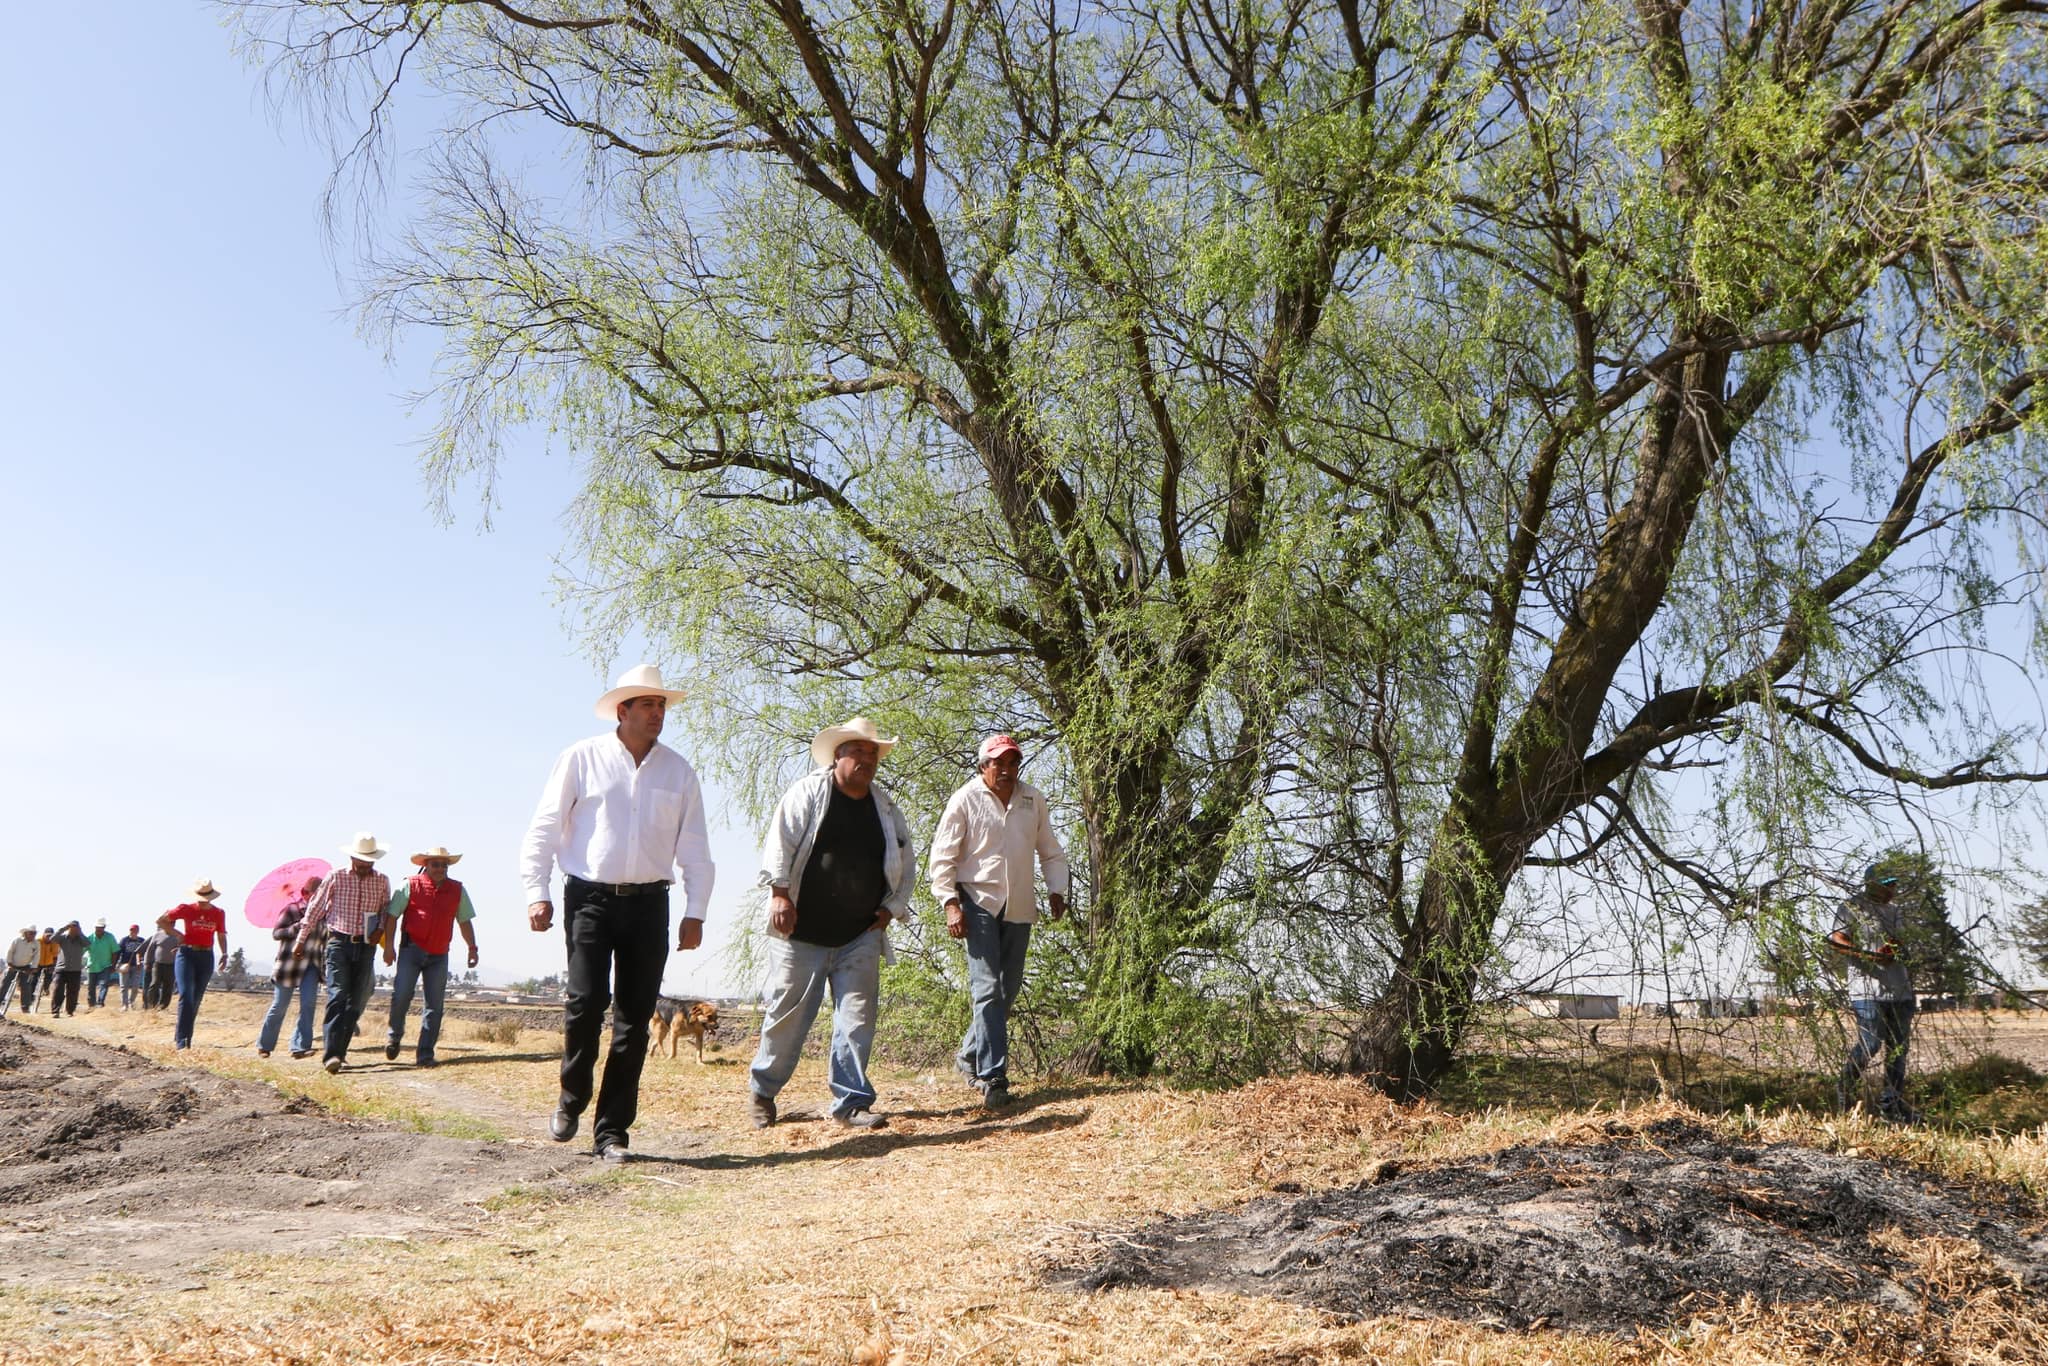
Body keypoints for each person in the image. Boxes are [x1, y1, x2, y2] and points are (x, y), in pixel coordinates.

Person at [521, 663, 716, 1162]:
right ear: (622, 709)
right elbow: (545, 826)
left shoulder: (679, 771)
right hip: (588, 898)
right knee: (585, 1003)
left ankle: (612, 1132)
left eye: (662, 706)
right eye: (648, 705)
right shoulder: (581, 759)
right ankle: (572, 1098)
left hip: (651, 902)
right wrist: (535, 891)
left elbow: (694, 845)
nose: (658, 714)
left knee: (634, 1019)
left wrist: (696, 910)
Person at [748, 718, 917, 1131]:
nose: (865, 759)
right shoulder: (807, 792)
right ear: (837, 755)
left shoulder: (886, 809)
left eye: (872, 753)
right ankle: (763, 1092)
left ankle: (851, 1102)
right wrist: (779, 893)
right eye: (857, 751)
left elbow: (906, 863)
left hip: (859, 933)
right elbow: (780, 843)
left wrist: (891, 909)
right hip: (801, 932)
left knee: (857, 1019)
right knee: (787, 1017)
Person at [928, 734, 1070, 1106]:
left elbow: (1051, 851)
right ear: (983, 766)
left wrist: (1058, 890)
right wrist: (950, 903)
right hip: (977, 902)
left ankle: (968, 1054)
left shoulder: (1031, 799)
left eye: (1012, 763)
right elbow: (942, 857)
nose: (1006, 770)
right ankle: (994, 1079)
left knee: (1007, 991)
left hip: (1020, 904)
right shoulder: (965, 799)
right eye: (998, 763)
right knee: (987, 987)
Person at [294, 834, 393, 1075]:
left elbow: (385, 910)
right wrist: (301, 939)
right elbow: (316, 908)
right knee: (337, 996)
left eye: (369, 861)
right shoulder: (336, 876)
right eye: (361, 860)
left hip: (366, 946)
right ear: (352, 857)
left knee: (355, 1001)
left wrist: (381, 929)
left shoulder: (381, 880)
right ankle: (331, 1055)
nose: (364, 865)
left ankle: (341, 1051)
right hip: (338, 942)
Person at [1831, 864, 1920, 1122]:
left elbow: (1900, 940)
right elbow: (1838, 940)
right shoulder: (1851, 908)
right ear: (1871, 884)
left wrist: (1892, 950)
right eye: (1887, 883)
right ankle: (1845, 1089)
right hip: (1866, 990)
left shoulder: (1895, 912)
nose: (1892, 888)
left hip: (1899, 989)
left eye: (1894, 883)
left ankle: (1891, 1105)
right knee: (1871, 1042)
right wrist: (1869, 956)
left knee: (1898, 1050)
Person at [382, 846, 480, 1067]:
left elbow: (464, 921)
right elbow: (392, 916)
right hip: (411, 950)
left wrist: (472, 947)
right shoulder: (409, 884)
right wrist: (389, 946)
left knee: (434, 1005)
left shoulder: (457, 890)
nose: (440, 869)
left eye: (444, 865)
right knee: (401, 996)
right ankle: (394, 1036)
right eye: (436, 864)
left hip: (439, 954)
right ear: (425, 865)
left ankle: (425, 1054)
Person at [258, 876, 326, 1060]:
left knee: (308, 1005)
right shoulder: (292, 910)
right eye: (316, 894)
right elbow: (277, 933)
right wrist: (298, 928)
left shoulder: (324, 915)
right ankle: (265, 1045)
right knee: (280, 1005)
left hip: (311, 965)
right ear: (306, 893)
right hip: (289, 965)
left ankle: (300, 1046)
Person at [158, 880, 230, 1049]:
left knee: (196, 998)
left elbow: (221, 934)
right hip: (186, 954)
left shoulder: (219, 913)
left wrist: (225, 953)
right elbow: (161, 920)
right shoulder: (186, 909)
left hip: (206, 955)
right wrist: (177, 933)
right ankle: (182, 1042)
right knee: (186, 995)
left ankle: (184, 1036)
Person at [49, 921, 88, 1018]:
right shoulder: (63, 938)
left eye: (75, 927)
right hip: (61, 969)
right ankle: (55, 1011)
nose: (73, 929)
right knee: (58, 990)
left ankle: (69, 1011)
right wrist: (64, 928)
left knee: (73, 992)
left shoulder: (80, 939)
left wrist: (80, 932)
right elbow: (52, 938)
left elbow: (87, 943)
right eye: (72, 927)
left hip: (75, 970)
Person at [1, 927, 40, 1016]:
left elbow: (37, 956)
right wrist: (9, 963)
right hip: (13, 965)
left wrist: (33, 968)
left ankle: (25, 1007)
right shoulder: (17, 941)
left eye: (34, 933)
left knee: (26, 986)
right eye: (31, 933)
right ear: (25, 933)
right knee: (5, 984)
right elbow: (10, 951)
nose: (33, 935)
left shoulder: (36, 943)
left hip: (25, 967)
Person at [142, 924, 181, 1010]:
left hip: (172, 965)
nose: (171, 924)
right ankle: (151, 1005)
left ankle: (163, 1006)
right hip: (158, 964)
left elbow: (184, 947)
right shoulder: (158, 935)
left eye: (172, 922)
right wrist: (146, 962)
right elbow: (150, 949)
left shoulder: (178, 935)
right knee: (154, 983)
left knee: (168, 985)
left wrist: (178, 949)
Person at [84, 919, 120, 1010]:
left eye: (100, 928)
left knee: (103, 984)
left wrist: (113, 965)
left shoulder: (110, 937)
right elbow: (82, 950)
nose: (98, 930)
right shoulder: (90, 938)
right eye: (97, 928)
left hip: (106, 965)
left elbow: (115, 951)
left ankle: (100, 1003)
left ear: (104, 928)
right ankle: (91, 1005)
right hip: (92, 966)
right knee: (91, 987)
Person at [115, 924, 148, 1010]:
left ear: (138, 931)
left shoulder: (142, 941)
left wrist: (142, 961)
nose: (133, 932)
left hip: (137, 966)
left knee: (135, 986)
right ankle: (124, 1005)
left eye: (135, 930)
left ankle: (131, 1002)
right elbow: (118, 952)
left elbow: (145, 952)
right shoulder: (124, 940)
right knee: (123, 986)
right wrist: (116, 964)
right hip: (124, 965)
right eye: (131, 930)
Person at [32, 929, 58, 1013]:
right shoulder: (38, 941)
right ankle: (31, 997)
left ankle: (46, 988)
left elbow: (55, 956)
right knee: (33, 980)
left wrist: (53, 966)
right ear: (44, 934)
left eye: (51, 936)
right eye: (47, 935)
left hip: (48, 964)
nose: (49, 937)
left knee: (48, 977)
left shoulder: (54, 943)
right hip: (37, 963)